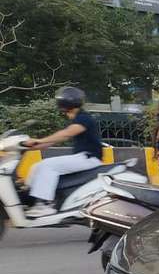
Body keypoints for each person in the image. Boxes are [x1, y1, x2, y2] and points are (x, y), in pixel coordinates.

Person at [22, 87, 104, 217]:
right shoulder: (77, 118)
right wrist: (29, 146)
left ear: (65, 104)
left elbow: (65, 134)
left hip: (89, 158)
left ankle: (45, 205)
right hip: (83, 158)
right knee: (36, 166)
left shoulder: (84, 118)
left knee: (48, 165)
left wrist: (39, 140)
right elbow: (52, 141)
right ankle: (30, 201)